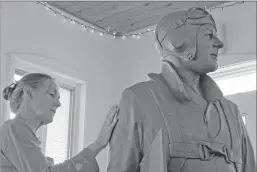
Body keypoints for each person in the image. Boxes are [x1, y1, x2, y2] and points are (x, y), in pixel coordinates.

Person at [107, 7, 255, 172]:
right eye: (209, 35)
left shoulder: (231, 112)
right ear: (178, 42)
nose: (219, 43)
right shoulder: (139, 99)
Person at [0, 73, 119, 172]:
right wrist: (98, 144)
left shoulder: (17, 133)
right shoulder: (14, 128)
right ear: (29, 93)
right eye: (52, 95)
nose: (58, 104)